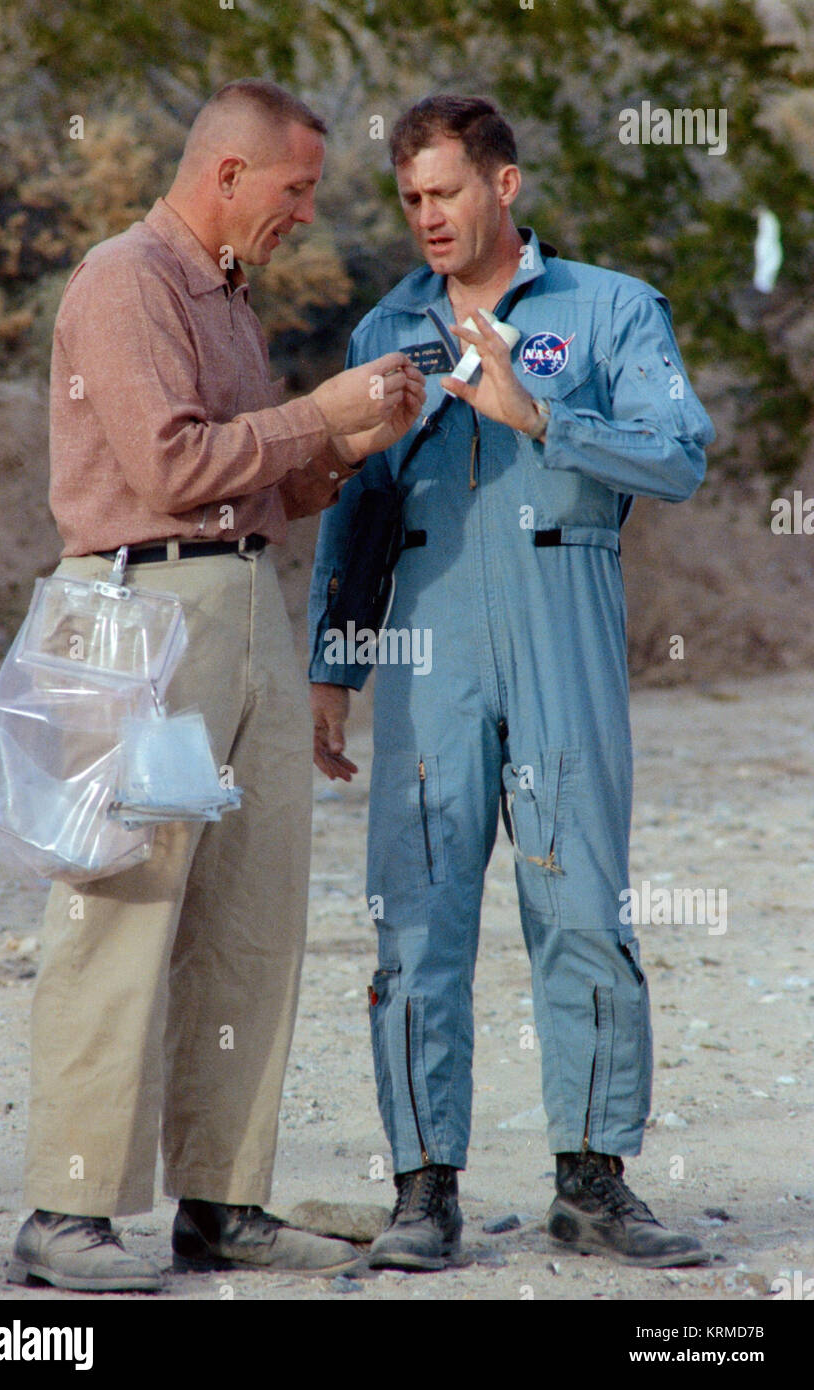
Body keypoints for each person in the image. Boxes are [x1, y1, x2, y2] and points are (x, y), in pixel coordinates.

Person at [9, 78, 425, 1292]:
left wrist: (348, 443)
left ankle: (221, 1203)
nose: (306, 212)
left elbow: (255, 486)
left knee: (251, 925)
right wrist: (315, 412)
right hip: (139, 618)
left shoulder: (226, 295)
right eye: (298, 189)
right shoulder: (125, 279)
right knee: (118, 911)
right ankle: (62, 1211)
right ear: (230, 174)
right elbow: (172, 461)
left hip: (241, 606)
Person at [308, 95, 715, 1272]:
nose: (427, 218)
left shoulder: (609, 307)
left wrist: (537, 413)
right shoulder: (386, 328)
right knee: (416, 915)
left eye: (445, 193)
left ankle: (591, 1179)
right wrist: (335, 662)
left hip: (561, 616)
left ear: (505, 185)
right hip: (426, 641)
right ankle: (421, 1191)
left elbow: (678, 451)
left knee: (578, 902)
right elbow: (357, 514)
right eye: (410, 201)